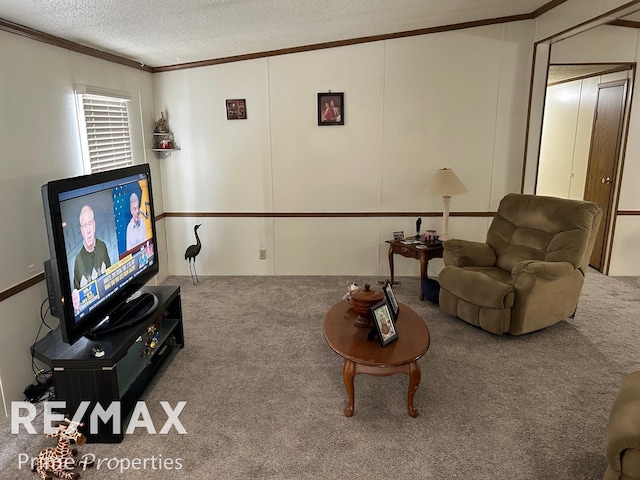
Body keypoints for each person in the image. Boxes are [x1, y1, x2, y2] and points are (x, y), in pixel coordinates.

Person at [72, 205, 112, 313]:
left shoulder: (102, 247)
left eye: (90, 224)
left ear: (94, 225)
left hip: (109, 305)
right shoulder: (78, 261)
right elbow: (77, 301)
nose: (88, 230)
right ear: (81, 230)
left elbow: (111, 279)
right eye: (85, 226)